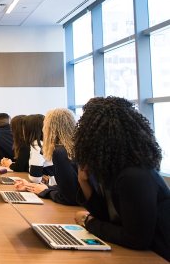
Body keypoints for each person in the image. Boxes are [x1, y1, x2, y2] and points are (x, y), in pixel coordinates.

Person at [72, 97, 170, 261]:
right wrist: (83, 181)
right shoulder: (115, 171)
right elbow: (108, 217)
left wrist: (89, 222)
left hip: (159, 255)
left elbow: (137, 239)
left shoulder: (134, 176)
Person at [15, 108, 79, 205]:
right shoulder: (75, 147)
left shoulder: (60, 152)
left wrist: (46, 191)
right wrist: (32, 186)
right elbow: (72, 188)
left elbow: (69, 197)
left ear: (49, 128)